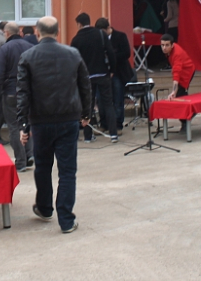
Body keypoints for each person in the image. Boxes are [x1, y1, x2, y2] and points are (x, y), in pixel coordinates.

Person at [17, 16, 92, 234]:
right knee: (67, 171)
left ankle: (44, 207)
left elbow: (23, 93)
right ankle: (66, 219)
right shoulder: (72, 53)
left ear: (37, 32)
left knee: (42, 166)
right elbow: (85, 85)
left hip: (40, 121)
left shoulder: (27, 56)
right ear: (58, 32)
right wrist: (86, 113)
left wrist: (23, 125)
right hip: (68, 119)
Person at [0, 22, 34, 171]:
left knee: (14, 126)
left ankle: (20, 161)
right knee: (27, 122)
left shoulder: (5, 49)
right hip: (28, 91)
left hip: (11, 91)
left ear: (7, 33)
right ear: (20, 33)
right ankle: (29, 154)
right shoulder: (30, 47)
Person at [71, 12, 118, 143]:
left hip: (86, 77)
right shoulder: (100, 34)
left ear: (79, 24)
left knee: (88, 106)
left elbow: (73, 59)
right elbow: (111, 53)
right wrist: (112, 70)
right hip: (103, 74)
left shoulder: (76, 39)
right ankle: (113, 134)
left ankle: (88, 135)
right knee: (108, 104)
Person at [95, 18, 135, 133]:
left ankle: (118, 125)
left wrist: (111, 56)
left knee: (118, 100)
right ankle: (104, 123)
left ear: (108, 28)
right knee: (101, 100)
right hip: (103, 73)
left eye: (103, 32)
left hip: (118, 72)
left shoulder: (120, 36)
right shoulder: (98, 38)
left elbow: (126, 53)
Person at [160, 34, 196, 132]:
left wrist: (174, 91)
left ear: (172, 45)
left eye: (167, 45)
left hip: (187, 72)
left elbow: (177, 74)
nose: (164, 48)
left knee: (180, 95)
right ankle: (187, 119)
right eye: (162, 45)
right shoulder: (171, 50)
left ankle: (188, 117)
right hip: (182, 69)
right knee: (180, 95)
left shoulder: (177, 54)